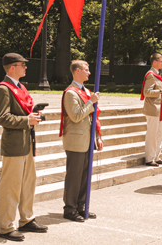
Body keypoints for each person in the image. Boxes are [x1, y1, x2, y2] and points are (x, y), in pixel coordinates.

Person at [0, 53, 48, 241]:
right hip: (14, 144)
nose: (26, 67)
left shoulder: (20, 86)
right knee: (11, 187)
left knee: (28, 184)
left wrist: (34, 114)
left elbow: (23, 111)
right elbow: (1, 117)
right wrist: (26, 119)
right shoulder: (4, 89)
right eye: (22, 65)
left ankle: (26, 219)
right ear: (11, 67)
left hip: (26, 142)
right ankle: (6, 227)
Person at [60, 60, 103, 222]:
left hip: (87, 139)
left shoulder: (85, 91)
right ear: (77, 71)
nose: (89, 72)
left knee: (85, 175)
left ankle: (81, 206)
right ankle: (70, 208)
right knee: (74, 176)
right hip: (76, 140)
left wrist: (98, 137)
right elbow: (76, 115)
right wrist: (91, 102)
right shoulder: (71, 92)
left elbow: (93, 117)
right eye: (86, 69)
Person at [140, 53, 162, 167]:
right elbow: (147, 92)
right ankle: (150, 158)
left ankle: (156, 156)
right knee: (152, 133)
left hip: (160, 108)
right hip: (153, 108)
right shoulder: (150, 75)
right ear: (154, 62)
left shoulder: (157, 75)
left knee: (159, 133)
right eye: (161, 61)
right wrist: (161, 91)